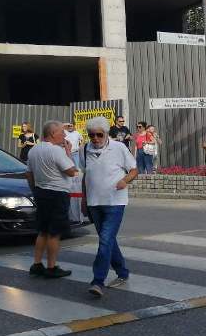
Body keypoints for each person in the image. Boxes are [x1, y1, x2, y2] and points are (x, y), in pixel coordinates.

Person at [80, 116, 138, 298]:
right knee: (108, 240)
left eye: (99, 135)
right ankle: (122, 272)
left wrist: (124, 180)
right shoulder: (85, 150)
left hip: (115, 202)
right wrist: (83, 200)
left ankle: (98, 281)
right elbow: (85, 176)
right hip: (94, 202)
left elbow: (134, 170)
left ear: (106, 133)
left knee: (105, 240)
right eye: (92, 135)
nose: (95, 139)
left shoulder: (119, 148)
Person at [25, 121, 79, 278]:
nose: (64, 135)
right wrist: (68, 152)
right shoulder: (56, 151)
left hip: (41, 192)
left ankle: (36, 264)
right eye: (62, 132)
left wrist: (35, 189)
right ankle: (51, 266)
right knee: (54, 233)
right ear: (53, 134)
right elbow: (71, 171)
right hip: (57, 194)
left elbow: (29, 173)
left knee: (43, 230)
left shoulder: (34, 150)